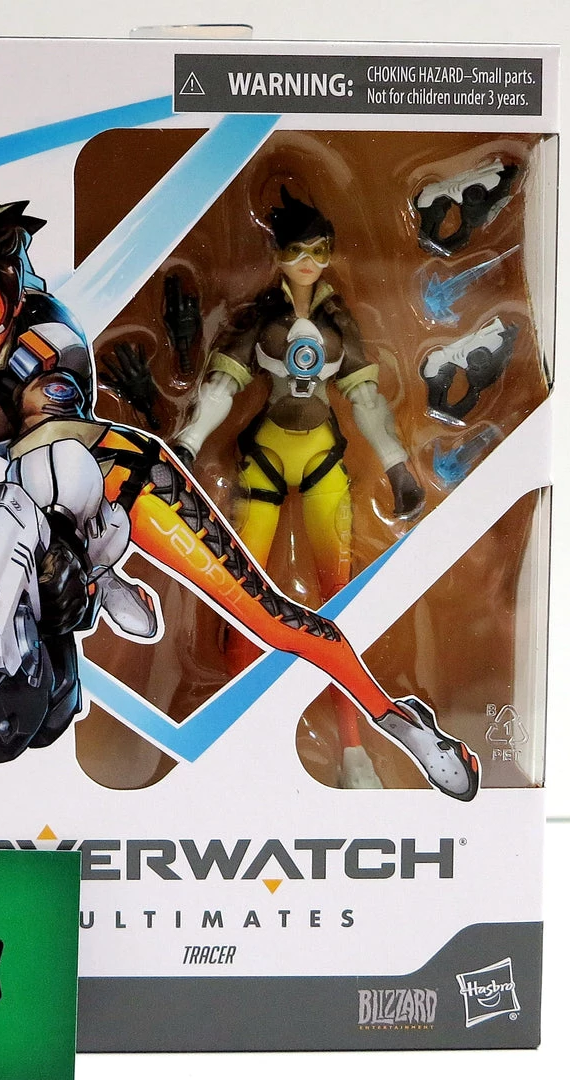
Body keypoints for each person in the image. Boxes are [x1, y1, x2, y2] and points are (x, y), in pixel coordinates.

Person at [0, 184, 479, 801]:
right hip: (40, 516)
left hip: (122, 476)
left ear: (8, 287)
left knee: (271, 620)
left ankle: (401, 723)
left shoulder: (45, 331)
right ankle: (45, 644)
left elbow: (35, 391)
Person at [174, 189, 425, 788]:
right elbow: (223, 386)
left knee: (336, 604)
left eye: (319, 250)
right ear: (278, 254)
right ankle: (239, 741)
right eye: (295, 250)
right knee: (242, 599)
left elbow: (367, 399)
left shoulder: (339, 322)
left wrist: (397, 466)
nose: (308, 262)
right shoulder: (263, 318)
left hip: (322, 460)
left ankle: (354, 749)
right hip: (264, 456)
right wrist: (187, 443)